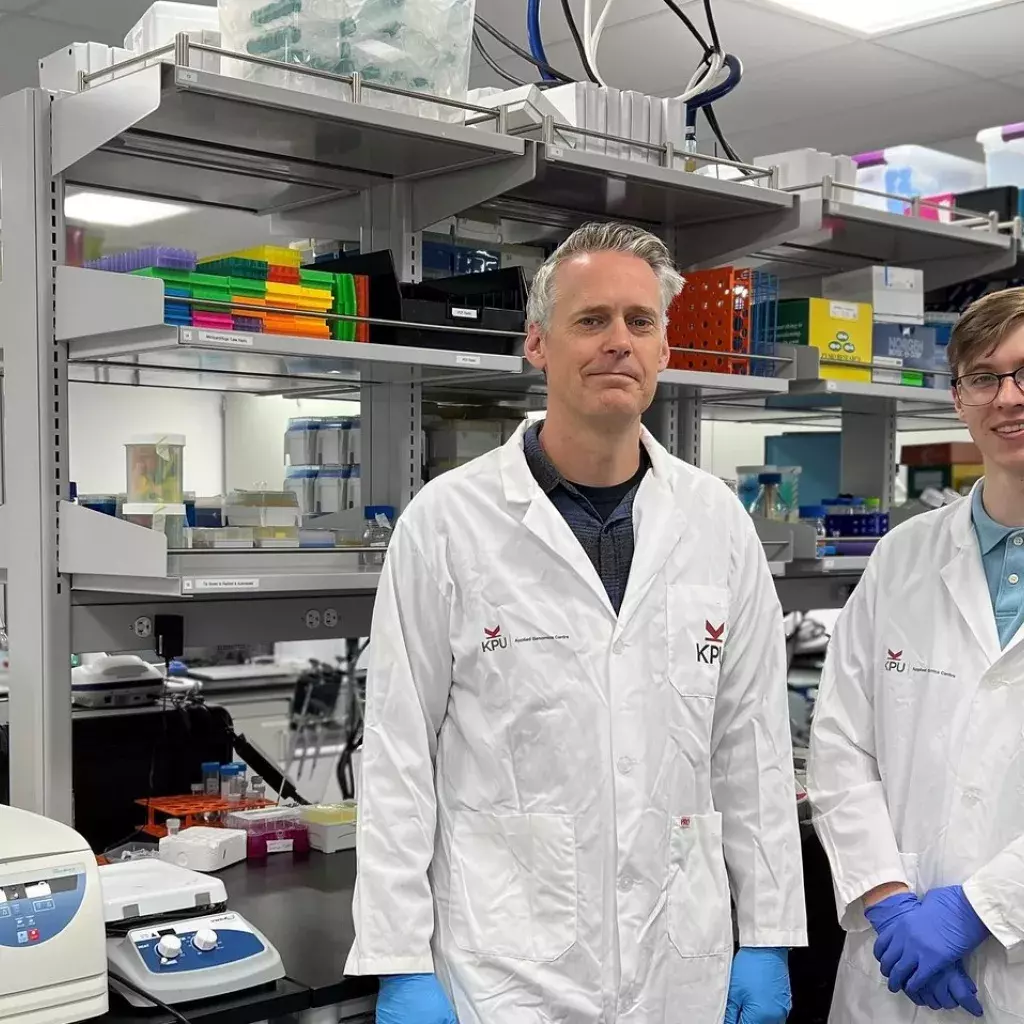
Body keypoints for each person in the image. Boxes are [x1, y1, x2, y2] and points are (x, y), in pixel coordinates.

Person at [345, 222, 807, 1024]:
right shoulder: (448, 522)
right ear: (537, 344)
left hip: (678, 959)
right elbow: (396, 756)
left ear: (665, 351)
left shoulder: (717, 523)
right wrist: (397, 958)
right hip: (505, 966)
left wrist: (766, 934)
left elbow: (752, 748)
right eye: (590, 321)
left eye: (640, 322)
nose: (617, 343)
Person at [808, 287, 1024, 1023]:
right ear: (959, 398)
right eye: (984, 378)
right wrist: (889, 899)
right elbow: (839, 743)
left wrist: (981, 907)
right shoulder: (902, 557)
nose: (1008, 398)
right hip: (893, 967)